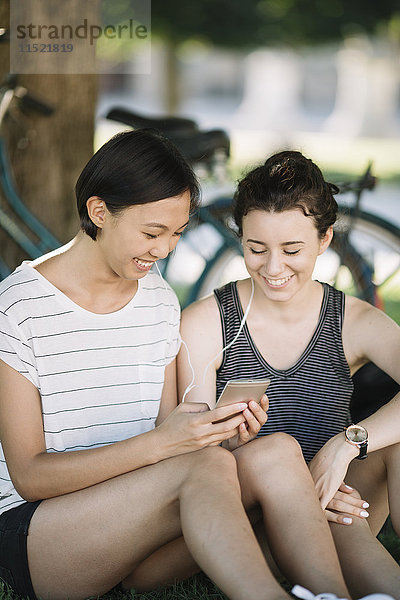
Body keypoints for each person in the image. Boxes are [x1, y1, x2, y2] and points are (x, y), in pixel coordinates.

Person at [0, 131, 355, 600]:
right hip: (43, 538)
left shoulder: (157, 300)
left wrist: (216, 432)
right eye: (152, 233)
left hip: (141, 523)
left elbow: (171, 434)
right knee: (203, 468)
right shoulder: (18, 309)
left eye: (176, 234)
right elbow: (31, 477)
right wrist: (165, 444)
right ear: (99, 212)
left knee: (277, 452)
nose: (164, 251)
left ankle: (333, 594)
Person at [178, 150, 400, 600]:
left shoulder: (351, 319)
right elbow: (188, 454)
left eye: (292, 250)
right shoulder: (205, 322)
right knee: (317, 500)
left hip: (339, 491)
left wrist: (345, 445)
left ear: (325, 240)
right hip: (252, 507)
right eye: (256, 249)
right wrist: (232, 441)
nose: (273, 268)